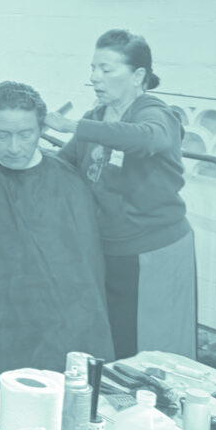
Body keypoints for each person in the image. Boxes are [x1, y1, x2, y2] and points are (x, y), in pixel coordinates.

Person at [0, 82, 115, 390]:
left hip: (61, 325)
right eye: (2, 135)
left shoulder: (69, 185)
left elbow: (88, 277)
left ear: (41, 129)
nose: (14, 147)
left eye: (26, 134)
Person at [46, 29, 196, 360]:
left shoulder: (155, 113)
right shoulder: (96, 117)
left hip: (153, 250)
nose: (94, 77)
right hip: (108, 248)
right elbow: (64, 166)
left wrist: (73, 126)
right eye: (93, 68)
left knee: (151, 351)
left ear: (138, 76)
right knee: (113, 342)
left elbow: (148, 139)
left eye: (106, 69)